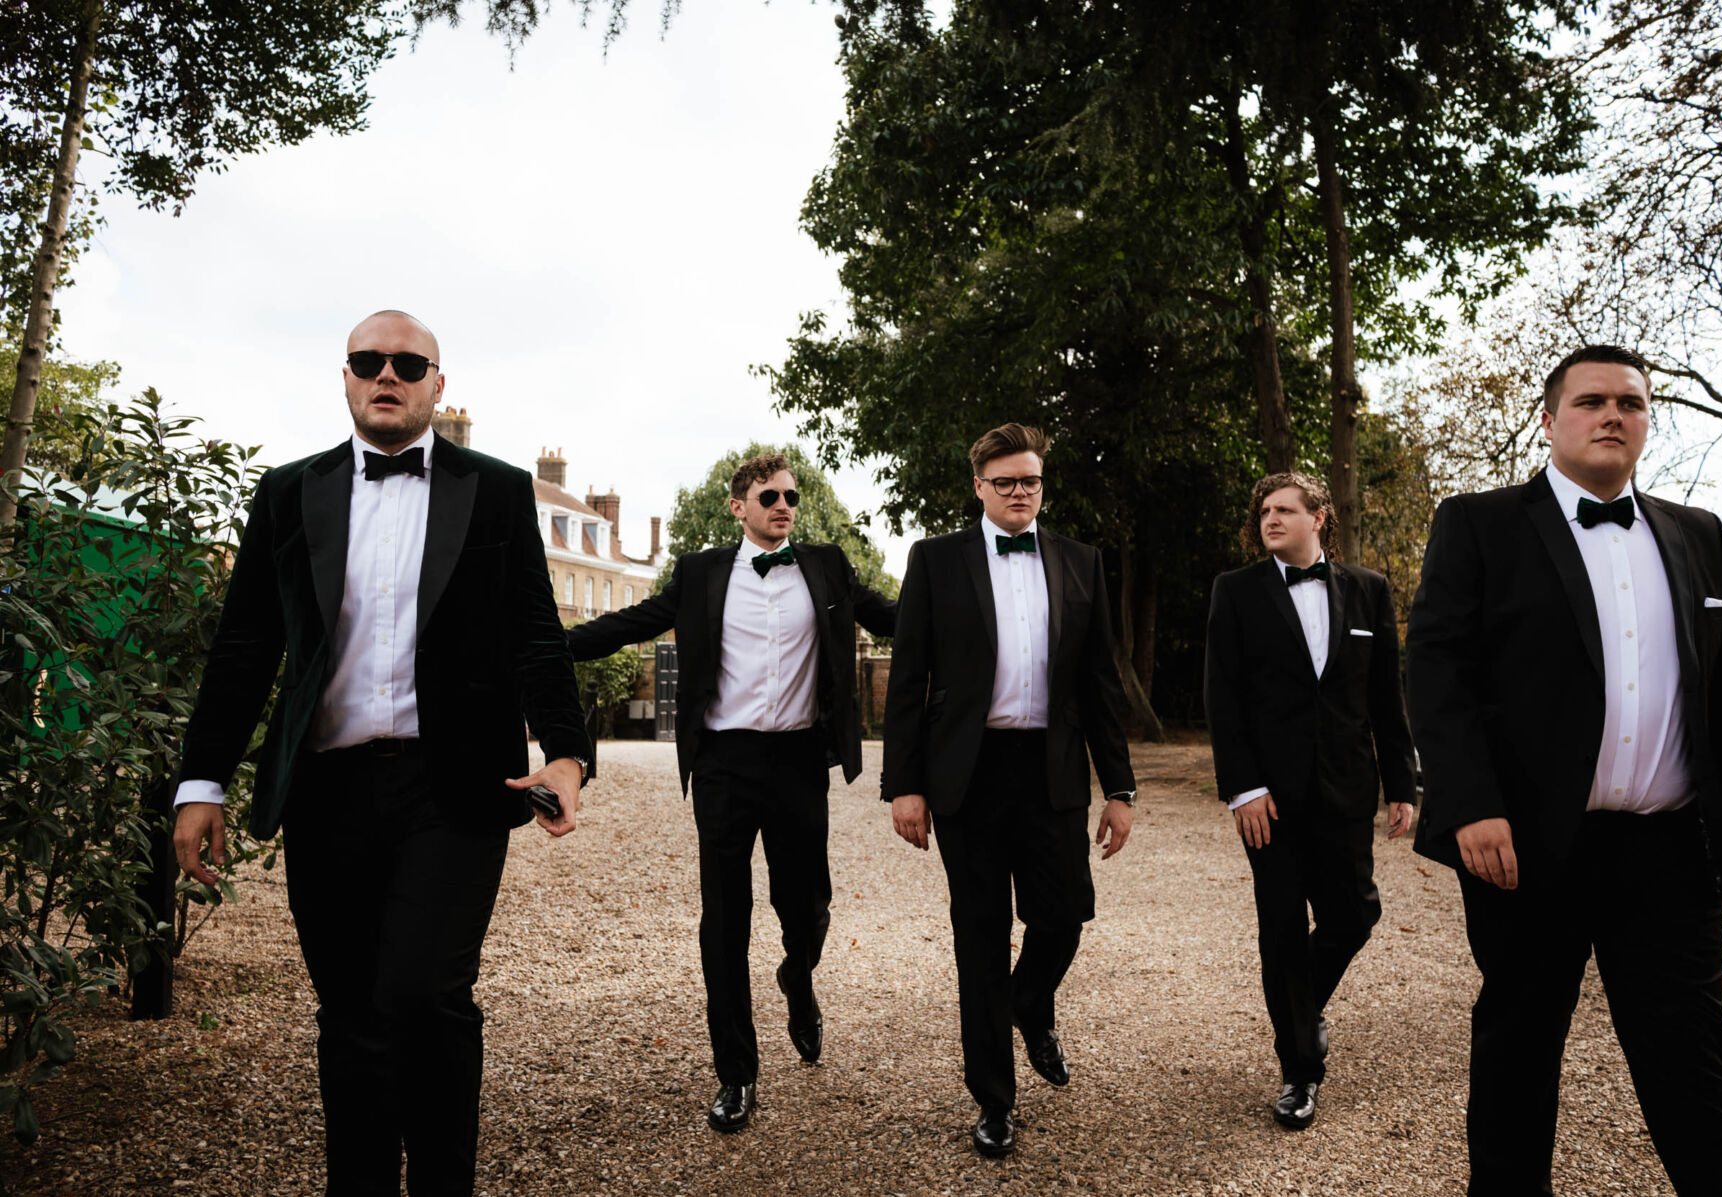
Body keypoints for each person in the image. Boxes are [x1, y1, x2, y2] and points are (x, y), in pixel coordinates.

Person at [172, 310, 590, 1196]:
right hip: (326, 788)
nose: (386, 373)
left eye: (408, 362)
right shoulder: (290, 493)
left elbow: (535, 635)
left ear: (439, 385)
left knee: (422, 998)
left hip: (457, 788)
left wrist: (566, 753)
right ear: (348, 378)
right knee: (351, 1013)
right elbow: (246, 644)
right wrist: (201, 779)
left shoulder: (498, 490)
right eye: (369, 360)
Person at [1407, 344, 1722, 1196]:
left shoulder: (1699, 534)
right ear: (1548, 418)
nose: (1614, 415)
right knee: (1520, 1046)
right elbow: (1437, 669)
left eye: (1632, 403)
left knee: (1689, 1050)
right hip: (1529, 845)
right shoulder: (1479, 523)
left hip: (1670, 847)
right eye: (1593, 401)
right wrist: (1469, 804)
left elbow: (1721, 696)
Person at [566, 452, 896, 1133]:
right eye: (769, 494)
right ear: (737, 505)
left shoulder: (827, 566)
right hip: (724, 762)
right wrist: (547, 644)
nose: (784, 505)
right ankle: (736, 1074)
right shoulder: (700, 573)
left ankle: (798, 978)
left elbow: (891, 616)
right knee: (725, 919)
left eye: (791, 496)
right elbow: (632, 624)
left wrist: (964, 617)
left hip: (801, 759)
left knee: (806, 906)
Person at [882, 422, 1136, 1159]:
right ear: (979, 487)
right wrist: (905, 785)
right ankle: (994, 1099)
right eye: (1005, 482)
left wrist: (1118, 786)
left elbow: (1100, 685)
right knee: (981, 938)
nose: (1020, 491)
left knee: (1065, 916)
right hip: (968, 774)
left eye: (1030, 480)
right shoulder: (935, 561)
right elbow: (907, 678)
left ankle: (1032, 1002)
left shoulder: (1082, 561)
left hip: (1052, 770)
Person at [1202, 471, 1416, 1130]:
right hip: (1269, 798)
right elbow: (1223, 695)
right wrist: (1243, 786)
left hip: (1347, 787)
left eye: (1285, 508)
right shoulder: (1235, 592)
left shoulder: (1370, 590)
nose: (1270, 518)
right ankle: (1299, 1068)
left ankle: (1301, 1006)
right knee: (1282, 930)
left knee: (1354, 914)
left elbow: (1384, 697)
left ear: (1318, 517)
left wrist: (1402, 783)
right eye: (1264, 510)